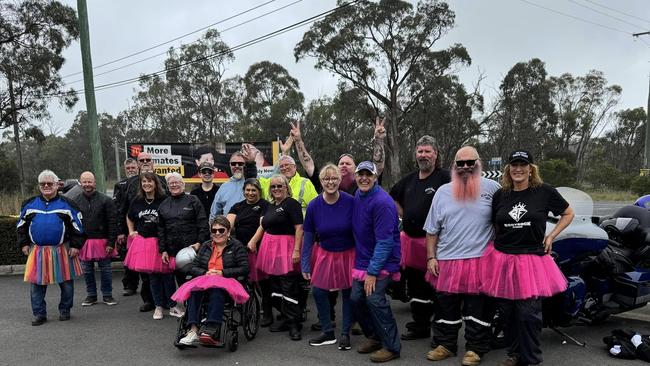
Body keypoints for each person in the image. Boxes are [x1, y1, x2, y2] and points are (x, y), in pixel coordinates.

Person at [479, 150, 575, 366]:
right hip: (502, 259)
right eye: (514, 164)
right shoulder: (501, 195)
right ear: (508, 169)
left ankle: (531, 359)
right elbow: (496, 223)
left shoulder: (544, 192)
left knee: (528, 315)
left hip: (531, 260)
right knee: (507, 313)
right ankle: (514, 354)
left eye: (523, 164)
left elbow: (568, 213)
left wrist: (551, 236)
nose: (518, 169)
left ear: (531, 169)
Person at [423, 147, 501, 365]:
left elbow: (502, 223)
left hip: (480, 260)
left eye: (470, 162)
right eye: (461, 163)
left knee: (478, 309)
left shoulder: (494, 189)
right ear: (454, 166)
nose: (465, 167)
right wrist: (431, 257)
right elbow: (431, 230)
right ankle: (445, 345)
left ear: (479, 162)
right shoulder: (442, 192)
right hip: (447, 261)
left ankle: (475, 349)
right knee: (445, 307)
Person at [389, 135, 451, 340]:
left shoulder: (445, 178)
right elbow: (392, 197)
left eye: (427, 151)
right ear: (415, 154)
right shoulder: (409, 179)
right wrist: (405, 214)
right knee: (416, 287)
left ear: (436, 154)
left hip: (437, 244)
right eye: (420, 151)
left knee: (438, 288)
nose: (423, 155)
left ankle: (442, 331)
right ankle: (420, 326)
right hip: (412, 244)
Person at [17, 170, 85, 325]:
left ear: (57, 185)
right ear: (39, 186)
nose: (46, 186)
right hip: (38, 251)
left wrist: (76, 246)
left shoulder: (68, 204)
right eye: (43, 184)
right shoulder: (29, 204)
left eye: (49, 183)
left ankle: (65, 310)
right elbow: (20, 226)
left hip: (62, 249)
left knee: (66, 283)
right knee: (37, 284)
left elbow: (78, 227)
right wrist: (23, 244)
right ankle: (39, 314)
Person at [350, 161, 401, 363]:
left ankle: (392, 346)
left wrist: (372, 271)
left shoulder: (382, 202)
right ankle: (375, 337)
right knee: (356, 299)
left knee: (374, 299)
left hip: (383, 260)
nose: (364, 178)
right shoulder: (358, 195)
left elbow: (385, 241)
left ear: (375, 177)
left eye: (368, 174)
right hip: (363, 259)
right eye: (360, 174)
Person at [301, 164, 355, 350]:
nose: (330, 182)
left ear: (340, 181)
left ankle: (345, 333)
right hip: (325, 253)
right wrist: (305, 264)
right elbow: (308, 236)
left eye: (334, 178)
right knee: (318, 291)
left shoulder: (350, 201)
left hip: (349, 254)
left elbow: (360, 230)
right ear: (321, 181)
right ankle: (327, 331)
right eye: (326, 179)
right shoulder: (314, 205)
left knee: (349, 294)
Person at [177, 216, 250, 347]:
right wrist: (205, 272)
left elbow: (244, 268)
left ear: (228, 231)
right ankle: (193, 330)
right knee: (194, 291)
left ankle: (211, 328)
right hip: (206, 279)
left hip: (228, 281)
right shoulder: (205, 246)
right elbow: (194, 266)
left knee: (217, 290)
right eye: (214, 230)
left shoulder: (237, 246)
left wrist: (223, 273)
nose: (217, 233)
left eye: (221, 230)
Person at [248, 174, 304, 341]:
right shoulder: (270, 206)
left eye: (280, 186)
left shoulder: (291, 204)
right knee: (275, 288)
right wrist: (252, 242)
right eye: (273, 187)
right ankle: (286, 318)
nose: (276, 189)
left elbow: (299, 228)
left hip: (286, 248)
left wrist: (296, 250)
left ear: (286, 187)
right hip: (270, 250)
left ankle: (294, 323)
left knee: (288, 287)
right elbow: (263, 226)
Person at [124, 172, 181, 320]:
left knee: (168, 275)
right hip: (145, 243)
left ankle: (173, 305)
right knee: (153, 277)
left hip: (162, 241)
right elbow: (129, 217)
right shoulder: (137, 201)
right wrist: (131, 232)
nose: (147, 184)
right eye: (144, 182)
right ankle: (158, 307)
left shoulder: (164, 199)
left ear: (156, 183)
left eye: (150, 181)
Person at [116, 152, 167, 310]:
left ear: (153, 162)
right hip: (140, 234)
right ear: (138, 164)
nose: (145, 162)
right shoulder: (131, 184)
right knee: (145, 272)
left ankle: (164, 301)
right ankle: (149, 300)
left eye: (148, 160)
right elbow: (124, 210)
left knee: (163, 271)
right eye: (142, 160)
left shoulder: (163, 181)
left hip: (160, 235)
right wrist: (124, 231)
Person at [290, 118, 386, 195]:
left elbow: (377, 167)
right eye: (341, 163)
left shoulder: (363, 183)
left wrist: (379, 139)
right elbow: (308, 165)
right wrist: (298, 141)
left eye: (348, 163)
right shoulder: (327, 183)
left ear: (356, 168)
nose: (344, 165)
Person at [226, 178, 272, 326]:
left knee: (263, 283)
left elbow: (262, 225)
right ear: (244, 191)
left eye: (254, 190)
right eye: (248, 190)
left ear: (259, 191)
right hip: (240, 249)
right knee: (245, 282)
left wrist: (253, 241)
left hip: (258, 247)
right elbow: (228, 223)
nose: (250, 193)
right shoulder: (237, 206)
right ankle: (248, 310)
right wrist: (224, 235)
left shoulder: (265, 205)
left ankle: (268, 313)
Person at [72, 171, 119, 307]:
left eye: (90, 181)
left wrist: (111, 242)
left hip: (103, 241)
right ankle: (91, 296)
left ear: (95, 182)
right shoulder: (74, 201)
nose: (87, 184)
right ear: (81, 183)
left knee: (106, 269)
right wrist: (75, 243)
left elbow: (112, 222)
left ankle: (107, 295)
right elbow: (73, 224)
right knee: (87, 270)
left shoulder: (106, 200)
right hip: (83, 242)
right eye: (84, 182)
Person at [158, 172, 210, 287]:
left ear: (183, 184)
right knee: (181, 282)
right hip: (173, 251)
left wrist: (199, 242)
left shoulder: (193, 200)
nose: (174, 185)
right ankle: (185, 304)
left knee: (196, 281)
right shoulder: (163, 204)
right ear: (168, 187)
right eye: (171, 183)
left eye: (177, 182)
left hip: (193, 249)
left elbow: (202, 223)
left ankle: (197, 304)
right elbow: (161, 229)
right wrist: (163, 250)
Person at [209, 152, 248, 222]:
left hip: (251, 229)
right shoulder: (224, 187)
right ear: (230, 165)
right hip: (229, 230)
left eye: (240, 163)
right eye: (233, 163)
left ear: (245, 165)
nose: (236, 166)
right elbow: (214, 214)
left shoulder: (253, 182)